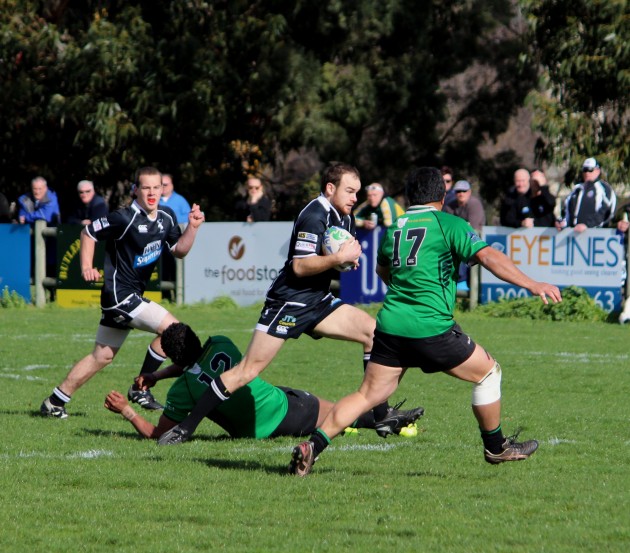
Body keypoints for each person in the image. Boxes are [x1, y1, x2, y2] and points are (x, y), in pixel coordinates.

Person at [288, 166, 563, 476]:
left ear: (409, 197)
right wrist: (533, 284)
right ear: (442, 196)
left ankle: (314, 446)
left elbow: (383, 273)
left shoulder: (395, 229)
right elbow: (488, 257)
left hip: (391, 327)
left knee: (367, 395)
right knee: (488, 373)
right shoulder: (449, 224)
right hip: (432, 328)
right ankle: (496, 447)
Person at [158, 162, 424, 445]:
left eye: (357, 192)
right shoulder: (314, 214)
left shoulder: (345, 217)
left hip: (318, 301)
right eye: (349, 191)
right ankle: (186, 428)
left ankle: (381, 413)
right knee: (247, 370)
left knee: (375, 332)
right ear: (330, 188)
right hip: (288, 303)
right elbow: (299, 267)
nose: (354, 198)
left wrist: (348, 259)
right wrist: (337, 259)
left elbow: (334, 256)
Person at [39, 166, 205, 419]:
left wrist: (193, 227)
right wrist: (86, 266)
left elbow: (179, 251)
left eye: (156, 187)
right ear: (135, 190)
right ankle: (140, 389)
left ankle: (54, 402)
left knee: (101, 356)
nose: (151, 193)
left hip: (129, 295)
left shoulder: (167, 216)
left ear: (163, 189)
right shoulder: (124, 217)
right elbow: (88, 232)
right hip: (120, 295)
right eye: (146, 187)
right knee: (174, 331)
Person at [104, 323, 421, 440]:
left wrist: (126, 411)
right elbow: (198, 363)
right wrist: (159, 375)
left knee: (333, 415)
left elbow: (158, 433)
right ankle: (388, 419)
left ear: (173, 360)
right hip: (280, 407)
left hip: (255, 426)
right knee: (337, 411)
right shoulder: (220, 343)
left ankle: (384, 421)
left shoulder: (182, 390)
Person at [443, 179, 486, 292]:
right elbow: (446, 227)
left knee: (461, 251)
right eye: (458, 191)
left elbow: (472, 229)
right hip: (456, 240)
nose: (461, 194)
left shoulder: (474, 204)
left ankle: (462, 283)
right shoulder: (450, 205)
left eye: (464, 191)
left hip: (475, 241)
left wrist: (457, 228)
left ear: (469, 192)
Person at [555, 158, 616, 233]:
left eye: (590, 170)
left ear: (597, 171)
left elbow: (606, 211)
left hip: (596, 235)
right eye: (585, 170)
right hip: (573, 235)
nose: (587, 173)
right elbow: (566, 210)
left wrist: (588, 225)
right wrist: (562, 222)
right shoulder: (577, 189)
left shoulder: (604, 189)